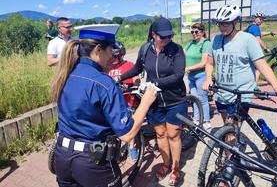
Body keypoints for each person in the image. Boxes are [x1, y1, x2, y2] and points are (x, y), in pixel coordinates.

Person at [51, 24, 157, 187]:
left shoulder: (66, 73)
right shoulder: (103, 83)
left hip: (62, 157)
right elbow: (127, 134)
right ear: (98, 50)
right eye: (110, 52)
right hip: (92, 162)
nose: (113, 58)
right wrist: (146, 102)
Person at [117, 17, 187, 185]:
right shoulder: (145, 49)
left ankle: (176, 170)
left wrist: (157, 83)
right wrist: (121, 78)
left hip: (174, 100)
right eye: (163, 36)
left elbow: (178, 75)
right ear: (153, 34)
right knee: (160, 134)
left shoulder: (176, 50)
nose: (167, 39)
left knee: (173, 134)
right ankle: (166, 164)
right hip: (154, 101)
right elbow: (137, 68)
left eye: (169, 36)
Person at [203, 5, 277, 126]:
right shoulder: (215, 40)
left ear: (235, 22)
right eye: (220, 24)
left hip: (241, 95)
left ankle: (235, 142)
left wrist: (276, 87)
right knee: (227, 127)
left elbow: (263, 66)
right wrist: (208, 78)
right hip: (222, 93)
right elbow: (209, 63)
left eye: (226, 24)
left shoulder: (248, 40)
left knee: (232, 128)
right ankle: (234, 141)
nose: (222, 28)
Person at [108, 41, 140, 161]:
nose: (115, 59)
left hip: (128, 100)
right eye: (113, 56)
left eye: (117, 56)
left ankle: (131, 147)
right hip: (113, 101)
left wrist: (135, 82)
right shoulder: (108, 66)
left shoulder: (129, 65)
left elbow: (136, 78)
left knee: (128, 123)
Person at [185, 23, 211, 130]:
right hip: (191, 76)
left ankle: (206, 120)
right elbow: (183, 54)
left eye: (196, 32)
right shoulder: (190, 43)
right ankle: (196, 119)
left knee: (203, 98)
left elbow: (204, 62)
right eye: (192, 32)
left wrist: (187, 68)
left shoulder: (205, 43)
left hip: (201, 75)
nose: (194, 34)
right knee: (194, 98)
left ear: (202, 32)